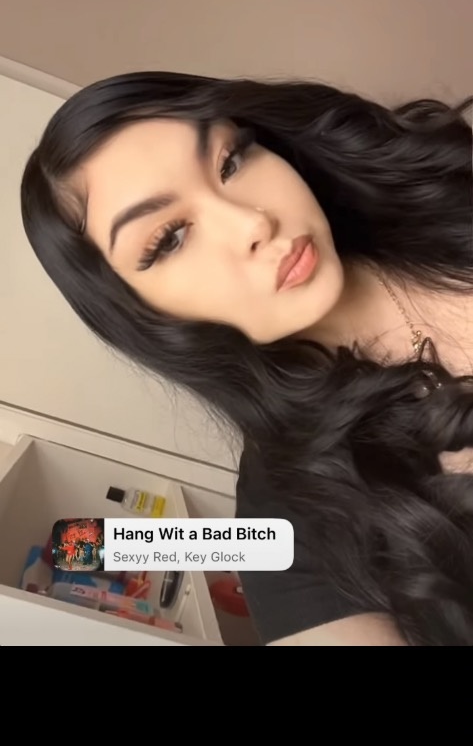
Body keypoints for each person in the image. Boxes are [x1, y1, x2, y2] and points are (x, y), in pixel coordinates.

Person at [20, 70, 473, 647]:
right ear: (143, 314)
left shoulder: (450, 191)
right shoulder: (290, 517)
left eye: (231, 161)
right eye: (170, 238)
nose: (254, 222)